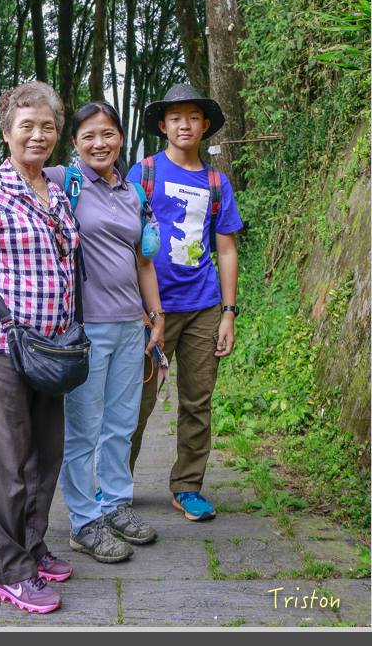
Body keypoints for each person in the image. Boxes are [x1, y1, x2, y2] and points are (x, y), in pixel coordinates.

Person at [0, 101, 165, 563]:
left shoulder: (133, 192)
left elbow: (143, 261)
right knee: (83, 429)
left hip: (130, 325)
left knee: (122, 424)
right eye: (88, 135)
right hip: (83, 328)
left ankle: (116, 505)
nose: (100, 143)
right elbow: (12, 168)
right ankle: (84, 521)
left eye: (108, 134)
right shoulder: (63, 181)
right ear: (73, 142)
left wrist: (156, 315)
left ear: (121, 138)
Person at [0, 81, 80, 615]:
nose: (38, 135)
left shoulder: (58, 192)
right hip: (2, 346)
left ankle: (32, 545)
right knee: (8, 460)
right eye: (27, 126)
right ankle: (9, 570)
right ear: (7, 132)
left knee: (46, 455)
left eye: (47, 126)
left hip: (53, 348)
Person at [126, 83, 243, 522]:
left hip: (203, 307)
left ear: (205, 125)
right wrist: (137, 305)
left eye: (193, 117)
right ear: (163, 126)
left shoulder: (216, 182)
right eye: (175, 118)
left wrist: (228, 313)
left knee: (197, 401)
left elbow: (226, 250)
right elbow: (125, 239)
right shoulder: (144, 173)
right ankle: (115, 485)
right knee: (135, 400)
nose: (185, 125)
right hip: (151, 307)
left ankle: (188, 486)